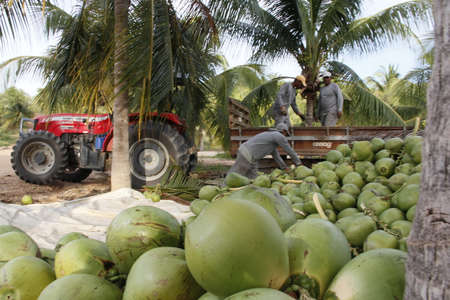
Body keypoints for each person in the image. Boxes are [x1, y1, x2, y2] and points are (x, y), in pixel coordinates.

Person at [227, 123, 302, 179]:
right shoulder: (278, 135)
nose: (285, 136)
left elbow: (277, 157)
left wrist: (284, 167)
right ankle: (223, 188)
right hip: (247, 153)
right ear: (284, 131)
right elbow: (289, 150)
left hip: (251, 157)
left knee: (254, 178)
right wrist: (298, 163)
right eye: (286, 134)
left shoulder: (271, 140)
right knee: (236, 174)